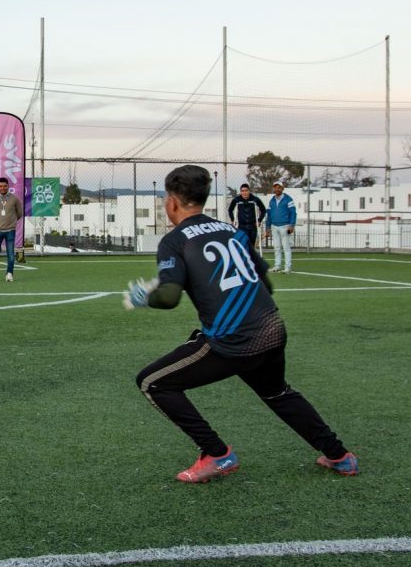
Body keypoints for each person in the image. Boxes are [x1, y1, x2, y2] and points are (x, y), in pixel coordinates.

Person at [126, 165, 358, 483]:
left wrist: (144, 296)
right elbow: (267, 285)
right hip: (272, 329)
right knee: (277, 392)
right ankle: (340, 456)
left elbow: (168, 298)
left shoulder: (175, 240)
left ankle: (216, 454)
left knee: (152, 382)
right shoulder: (230, 230)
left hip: (233, 341)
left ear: (173, 201)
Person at [264, 180, 296, 274]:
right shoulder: (272, 200)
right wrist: (267, 227)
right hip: (274, 226)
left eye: (279, 187)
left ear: (282, 188)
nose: (277, 189)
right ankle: (277, 266)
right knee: (277, 247)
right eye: (275, 187)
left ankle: (287, 267)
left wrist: (292, 225)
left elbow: (293, 212)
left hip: (285, 226)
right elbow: (269, 214)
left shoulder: (288, 199)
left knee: (286, 247)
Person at [228, 183, 267, 251]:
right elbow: (230, 210)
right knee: (243, 243)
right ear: (240, 192)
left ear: (249, 191)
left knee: (251, 245)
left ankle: (251, 256)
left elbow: (263, 210)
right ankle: (243, 256)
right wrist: (232, 219)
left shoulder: (255, 199)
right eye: (242, 191)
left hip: (252, 226)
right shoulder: (237, 200)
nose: (244, 193)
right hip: (242, 226)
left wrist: (259, 220)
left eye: (246, 190)